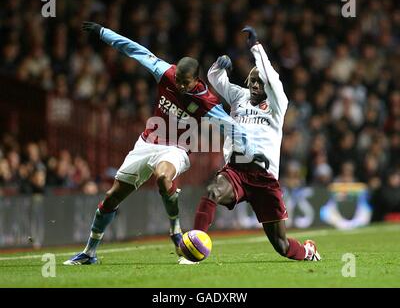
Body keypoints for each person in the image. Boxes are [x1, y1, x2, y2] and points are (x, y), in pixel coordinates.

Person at [64, 22, 255, 265]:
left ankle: (175, 230)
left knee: (163, 177)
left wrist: (252, 156)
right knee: (112, 197)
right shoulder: (165, 73)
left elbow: (233, 128)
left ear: (196, 80)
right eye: (177, 80)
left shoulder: (207, 102)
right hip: (146, 143)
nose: (179, 85)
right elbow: (135, 50)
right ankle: (89, 253)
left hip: (176, 148)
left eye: (185, 82)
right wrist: (103, 32)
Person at [193, 26, 321, 261]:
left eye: (259, 82)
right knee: (212, 191)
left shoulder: (277, 102)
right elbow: (216, 81)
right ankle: (194, 245)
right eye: (251, 81)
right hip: (237, 171)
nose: (254, 85)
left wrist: (256, 48)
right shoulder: (239, 97)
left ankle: (308, 251)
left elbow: (270, 77)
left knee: (281, 246)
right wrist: (219, 66)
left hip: (264, 178)